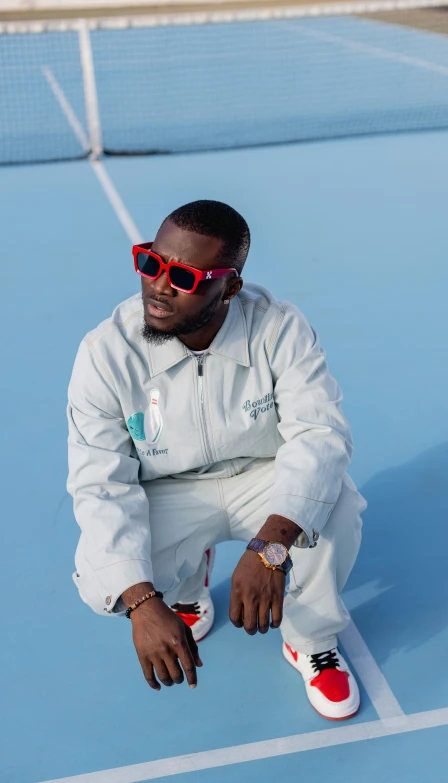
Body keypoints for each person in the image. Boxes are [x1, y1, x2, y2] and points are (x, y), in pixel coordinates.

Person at [67, 199, 367, 720]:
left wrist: (273, 547)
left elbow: (320, 436)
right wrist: (142, 603)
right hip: (168, 488)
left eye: (183, 275)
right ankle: (186, 587)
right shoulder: (105, 353)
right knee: (103, 575)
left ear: (229, 287)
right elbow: (100, 486)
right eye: (150, 262)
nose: (159, 286)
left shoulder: (279, 329)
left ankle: (311, 640)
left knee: (336, 506)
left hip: (263, 477)